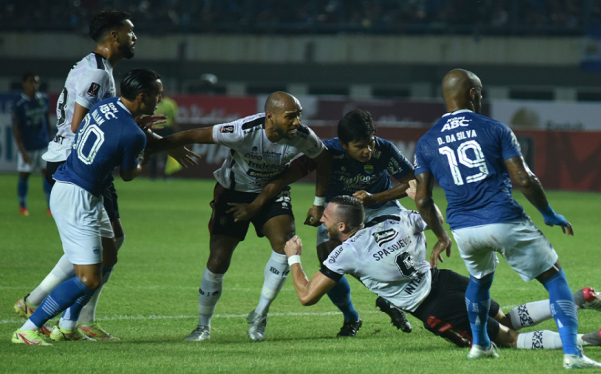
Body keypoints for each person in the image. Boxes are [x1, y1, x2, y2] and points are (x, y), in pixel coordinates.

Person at [13, 11, 196, 340]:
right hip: (78, 166)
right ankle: (51, 313)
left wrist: (144, 137)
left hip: (74, 164)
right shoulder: (97, 74)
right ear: (114, 35)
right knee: (92, 254)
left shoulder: (96, 68)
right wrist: (144, 142)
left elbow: (111, 121)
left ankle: (61, 315)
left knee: (104, 247)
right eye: (130, 31)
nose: (134, 37)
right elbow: (80, 126)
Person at [411, 69, 601, 369]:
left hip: (463, 227)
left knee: (479, 280)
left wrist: (440, 234)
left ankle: (481, 346)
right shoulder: (495, 128)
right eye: (481, 91)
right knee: (554, 278)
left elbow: (422, 199)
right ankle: (573, 354)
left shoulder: (426, 142)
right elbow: (524, 180)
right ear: (473, 94)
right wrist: (548, 213)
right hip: (502, 218)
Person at [282, 196, 601, 354]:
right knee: (503, 316)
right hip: (448, 280)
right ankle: (578, 299)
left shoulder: (345, 253)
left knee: (507, 340)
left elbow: (306, 295)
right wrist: (437, 230)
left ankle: (592, 338)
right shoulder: (393, 220)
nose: (320, 221)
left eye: (326, 218)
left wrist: (294, 258)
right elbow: (432, 212)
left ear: (342, 225)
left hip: (433, 306)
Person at [150, 91, 331, 342]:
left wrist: (318, 203)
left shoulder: (302, 137)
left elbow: (324, 160)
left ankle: (260, 314)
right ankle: (203, 327)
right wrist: (153, 147)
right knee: (218, 261)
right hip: (233, 193)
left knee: (285, 245)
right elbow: (194, 134)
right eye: (290, 116)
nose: (297, 122)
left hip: (273, 193)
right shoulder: (241, 130)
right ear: (270, 116)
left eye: (299, 116)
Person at [230, 108, 416, 337]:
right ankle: (351, 318)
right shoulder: (327, 151)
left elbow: (413, 182)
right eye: (360, 146)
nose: (368, 150)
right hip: (338, 213)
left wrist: (374, 198)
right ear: (343, 144)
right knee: (329, 260)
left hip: (379, 206)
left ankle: (390, 300)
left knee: (389, 250)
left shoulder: (385, 149)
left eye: (371, 143)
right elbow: (287, 176)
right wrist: (255, 205)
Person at [11, 68, 163, 345]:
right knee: (89, 279)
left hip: (84, 191)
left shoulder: (106, 104)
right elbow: (128, 174)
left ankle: (68, 325)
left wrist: (135, 130)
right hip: (77, 198)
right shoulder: (134, 136)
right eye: (157, 95)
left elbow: (108, 132)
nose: (160, 100)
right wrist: (144, 155)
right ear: (142, 97)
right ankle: (28, 328)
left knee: (110, 255)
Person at [11, 72, 52, 216]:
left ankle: (50, 207)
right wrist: (22, 150)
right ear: (24, 84)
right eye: (31, 82)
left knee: (47, 174)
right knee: (24, 175)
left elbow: (47, 121)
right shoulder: (19, 104)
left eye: (37, 82)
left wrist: (52, 142)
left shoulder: (44, 99)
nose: (35, 85)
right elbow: (16, 129)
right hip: (28, 147)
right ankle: (22, 207)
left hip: (43, 144)